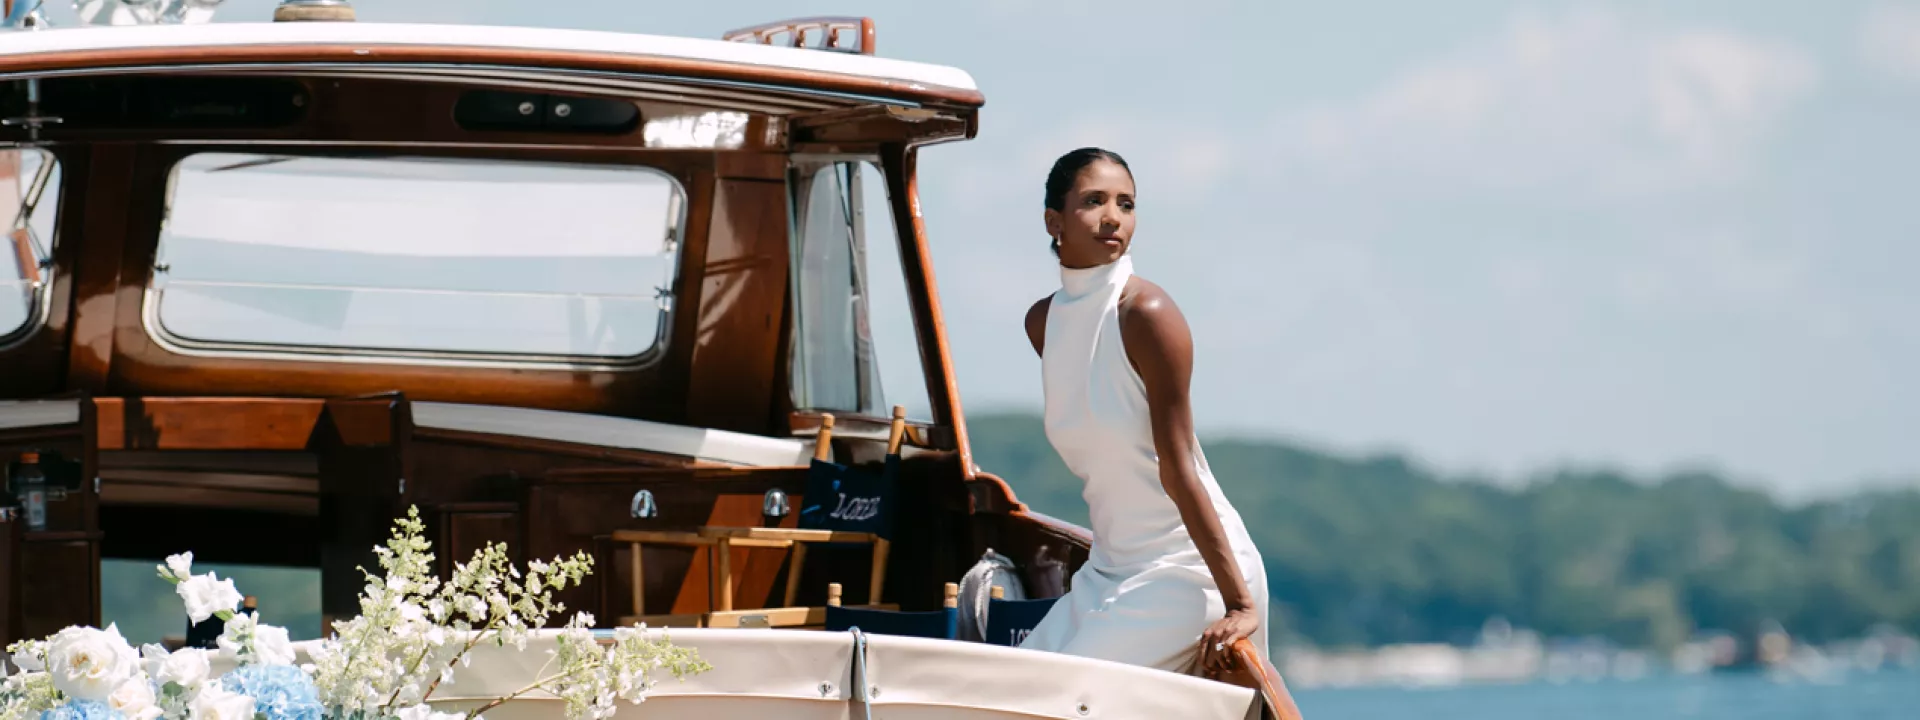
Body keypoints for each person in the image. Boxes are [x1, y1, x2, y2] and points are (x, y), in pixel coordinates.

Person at [1014, 147, 1269, 677]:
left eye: (1126, 204)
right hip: (1108, 571)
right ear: (1053, 221)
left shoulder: (1146, 315)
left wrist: (1240, 604)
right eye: (1094, 201)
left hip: (1186, 572)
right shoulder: (1043, 322)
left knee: (1050, 694)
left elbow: (1179, 467)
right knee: (1001, 687)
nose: (1113, 217)